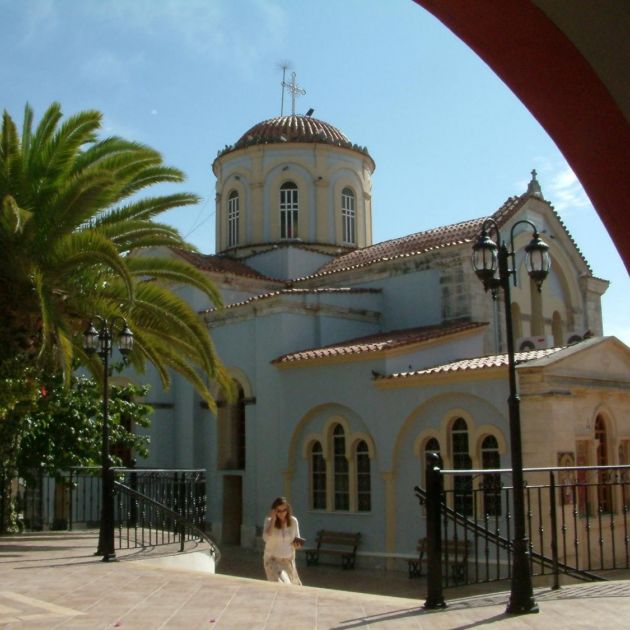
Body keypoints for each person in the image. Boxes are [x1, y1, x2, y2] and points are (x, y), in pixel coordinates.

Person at [262, 496, 303, 585]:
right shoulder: (268, 521)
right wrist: (273, 520)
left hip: (288, 561)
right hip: (273, 560)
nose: (282, 513)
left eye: (284, 510)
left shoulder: (293, 521)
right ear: (274, 511)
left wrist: (297, 545)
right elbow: (266, 538)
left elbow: (297, 538)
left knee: (294, 587)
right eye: (278, 511)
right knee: (282, 584)